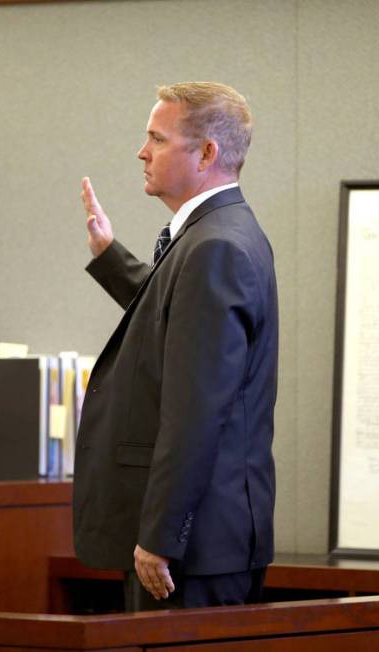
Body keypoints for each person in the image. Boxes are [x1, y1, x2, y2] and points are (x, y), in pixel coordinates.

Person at [73, 82, 278, 611]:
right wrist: (110, 256)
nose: (142, 152)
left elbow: (197, 410)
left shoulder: (214, 247)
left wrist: (162, 535)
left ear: (206, 153)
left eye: (157, 139)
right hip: (200, 546)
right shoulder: (218, 234)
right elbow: (176, 320)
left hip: (189, 553)